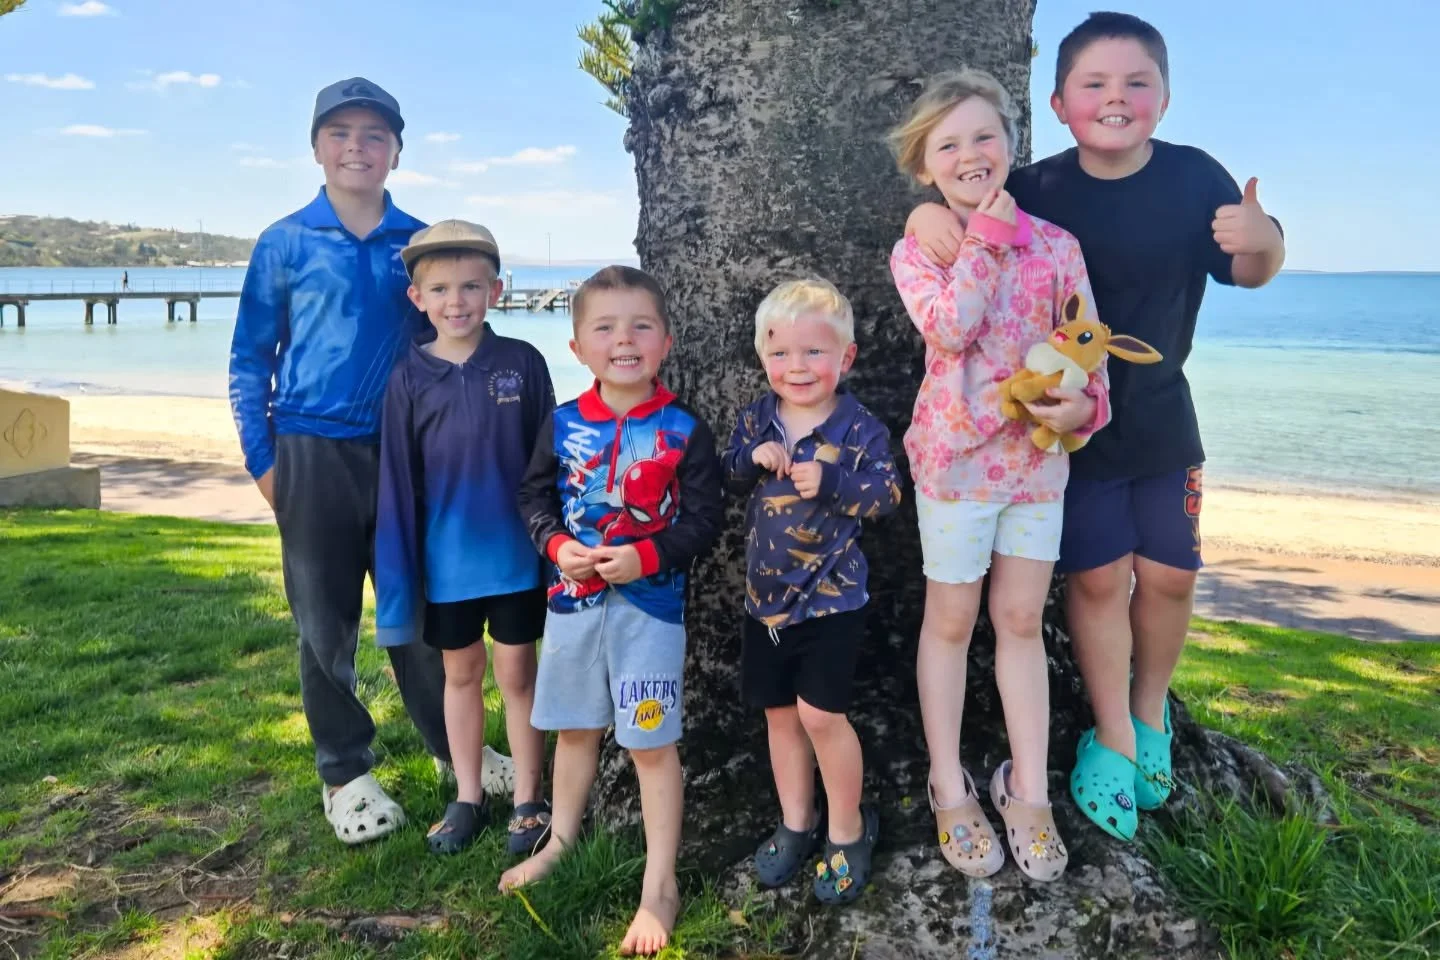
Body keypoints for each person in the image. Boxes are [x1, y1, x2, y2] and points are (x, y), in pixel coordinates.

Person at [906, 12, 1285, 841]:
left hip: (1158, 417)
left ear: (1166, 95)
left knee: (1174, 575)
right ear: (1060, 104)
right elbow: (967, 214)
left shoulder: (1194, 177)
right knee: (1099, 582)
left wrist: (1268, 243)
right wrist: (918, 220)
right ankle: (1110, 733)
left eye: (1136, 82)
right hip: (1053, 443)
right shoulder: (1038, 187)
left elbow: (1249, 266)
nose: (1116, 99)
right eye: (1095, 85)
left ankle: (1149, 716)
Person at [890, 68, 1113, 880]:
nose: (970, 153)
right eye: (948, 144)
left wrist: (1084, 414)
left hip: (1038, 470)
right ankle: (948, 785)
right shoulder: (920, 245)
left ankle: (1029, 789)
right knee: (949, 623)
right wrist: (980, 237)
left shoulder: (1058, 246)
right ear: (925, 166)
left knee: (1021, 622)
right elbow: (949, 330)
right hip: (952, 467)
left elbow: (1091, 354)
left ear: (1013, 144)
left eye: (985, 135)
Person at [228, 77, 455, 845]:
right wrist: (266, 465)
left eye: (374, 135)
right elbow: (248, 361)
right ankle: (345, 773)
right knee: (325, 625)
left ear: (396, 150)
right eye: (341, 133)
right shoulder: (285, 241)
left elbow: (444, 354)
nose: (357, 148)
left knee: (420, 612)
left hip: (402, 453)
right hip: (309, 450)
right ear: (317, 145)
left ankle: (452, 747)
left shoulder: (421, 245)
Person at [504, 265, 723, 956]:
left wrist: (647, 557)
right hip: (570, 609)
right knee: (575, 732)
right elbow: (534, 497)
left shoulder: (685, 430)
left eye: (640, 326)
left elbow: (705, 521)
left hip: (649, 615)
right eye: (604, 327)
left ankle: (660, 884)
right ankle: (560, 841)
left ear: (666, 341)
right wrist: (559, 543)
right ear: (577, 348)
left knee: (651, 744)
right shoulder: (562, 421)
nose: (623, 339)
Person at [374, 219, 555, 856]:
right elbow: (397, 481)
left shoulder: (523, 364)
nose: (458, 302)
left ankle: (531, 796)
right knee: (461, 674)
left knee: (517, 673)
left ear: (497, 291)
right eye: (442, 289)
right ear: (417, 298)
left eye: (472, 287)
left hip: (516, 558)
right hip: (445, 563)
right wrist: (402, 573)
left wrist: (554, 548)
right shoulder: (408, 379)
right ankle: (469, 795)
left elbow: (548, 463)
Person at [722, 278, 901, 904]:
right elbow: (729, 472)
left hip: (830, 602)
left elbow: (887, 495)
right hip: (764, 604)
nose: (796, 367)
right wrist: (752, 458)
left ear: (845, 359)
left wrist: (829, 479)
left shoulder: (860, 428)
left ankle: (848, 828)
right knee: (779, 716)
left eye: (814, 353)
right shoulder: (758, 417)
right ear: (763, 357)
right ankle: (796, 821)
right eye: (780, 353)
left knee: (821, 716)